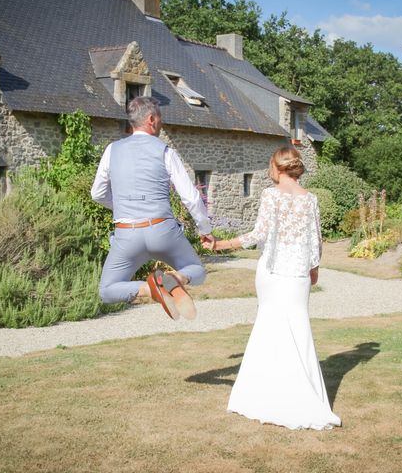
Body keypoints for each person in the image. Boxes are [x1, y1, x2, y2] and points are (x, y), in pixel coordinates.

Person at [203, 146, 342, 430]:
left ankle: (263, 395)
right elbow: (316, 240)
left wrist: (221, 245)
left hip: (273, 272)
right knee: (298, 329)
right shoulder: (311, 199)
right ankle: (299, 395)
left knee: (269, 328)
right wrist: (313, 269)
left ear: (277, 168)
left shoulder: (270, 195)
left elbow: (258, 234)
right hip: (298, 274)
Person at [91, 96, 214, 320]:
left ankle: (151, 289)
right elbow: (191, 197)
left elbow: (97, 194)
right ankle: (175, 279)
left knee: (107, 290)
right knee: (196, 271)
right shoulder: (165, 150)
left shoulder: (112, 150)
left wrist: (123, 209)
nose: (161, 123)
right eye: (160, 118)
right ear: (151, 119)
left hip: (127, 234)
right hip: (162, 231)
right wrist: (205, 230)